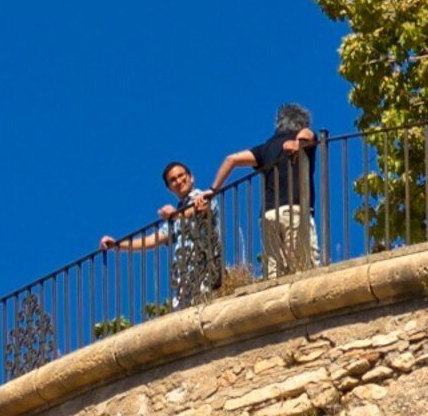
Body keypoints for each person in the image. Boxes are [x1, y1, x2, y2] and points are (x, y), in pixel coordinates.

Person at [211, 103, 326, 278]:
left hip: (268, 215)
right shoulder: (302, 138)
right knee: (303, 268)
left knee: (274, 272)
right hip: (293, 210)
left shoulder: (266, 147)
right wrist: (298, 142)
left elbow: (231, 159)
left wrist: (212, 190)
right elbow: (308, 134)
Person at [101, 161, 226, 309]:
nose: (179, 181)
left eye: (181, 175)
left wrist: (175, 215)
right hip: (185, 280)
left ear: (191, 177)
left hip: (207, 273)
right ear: (169, 188)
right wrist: (117, 245)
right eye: (173, 180)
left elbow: (201, 208)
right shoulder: (176, 216)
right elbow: (150, 241)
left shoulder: (200, 196)